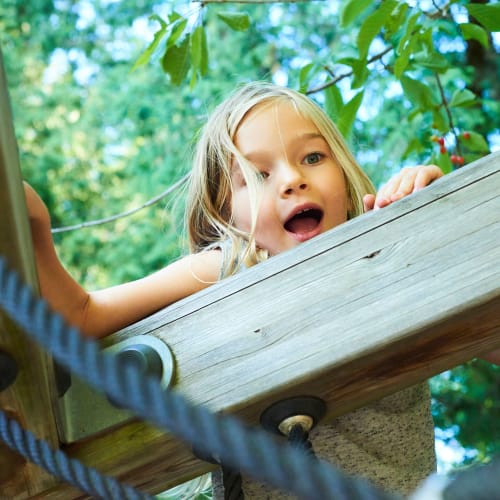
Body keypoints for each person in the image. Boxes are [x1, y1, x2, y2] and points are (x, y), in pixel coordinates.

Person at [24, 82, 500, 498]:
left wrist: (440, 228)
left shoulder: (387, 244)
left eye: (312, 157)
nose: (294, 179)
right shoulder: (229, 267)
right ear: (224, 211)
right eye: (258, 175)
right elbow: (83, 316)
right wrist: (34, 229)